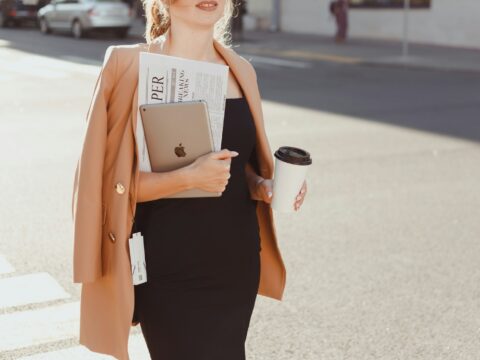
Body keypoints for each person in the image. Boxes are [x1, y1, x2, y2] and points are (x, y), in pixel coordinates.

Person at [72, 0, 308, 359]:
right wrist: (187, 178)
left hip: (235, 262)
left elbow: (239, 163)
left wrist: (263, 186)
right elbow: (105, 188)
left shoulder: (240, 70)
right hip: (168, 266)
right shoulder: (127, 66)